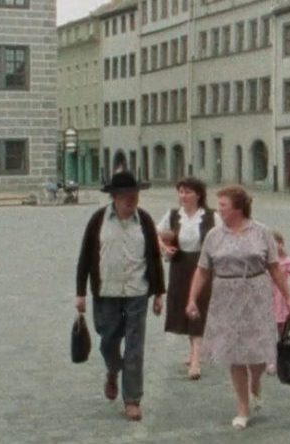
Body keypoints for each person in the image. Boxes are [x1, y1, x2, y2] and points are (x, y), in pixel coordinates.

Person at [185, 186, 290, 430]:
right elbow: (203, 269)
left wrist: (288, 297)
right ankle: (242, 407)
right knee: (235, 355)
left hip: (256, 295)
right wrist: (192, 299)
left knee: (258, 353)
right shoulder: (214, 236)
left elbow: (275, 268)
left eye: (223, 205)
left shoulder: (261, 232)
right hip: (225, 297)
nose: (219, 209)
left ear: (238, 208)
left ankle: (256, 380)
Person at [75, 171, 165, 422]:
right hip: (106, 292)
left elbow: (154, 257)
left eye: (134, 195)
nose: (131, 200)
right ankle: (113, 370)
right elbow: (85, 257)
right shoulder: (98, 220)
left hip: (137, 291)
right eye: (125, 196)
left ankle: (132, 399)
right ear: (114, 197)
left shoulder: (144, 220)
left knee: (135, 346)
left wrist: (158, 293)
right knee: (108, 340)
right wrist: (80, 293)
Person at [156, 177, 220, 380]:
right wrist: (165, 247)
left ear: (198, 195)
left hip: (202, 267)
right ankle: (193, 350)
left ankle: (195, 360)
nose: (183, 196)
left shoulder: (211, 216)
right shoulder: (174, 215)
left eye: (187, 192)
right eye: (181, 192)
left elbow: (222, 238)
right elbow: (154, 233)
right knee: (184, 306)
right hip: (180, 266)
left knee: (198, 306)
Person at [266, 230, 290, 375]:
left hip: (282, 299)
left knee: (282, 331)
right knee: (269, 330)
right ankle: (270, 359)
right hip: (269, 298)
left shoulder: (286, 261)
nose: (276, 246)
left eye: (278, 243)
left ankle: (282, 357)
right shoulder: (266, 262)